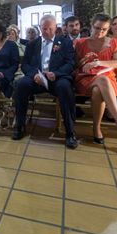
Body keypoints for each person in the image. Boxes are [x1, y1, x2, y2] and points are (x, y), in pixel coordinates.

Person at [12, 15, 78, 148]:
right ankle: (20, 126)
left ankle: (70, 133)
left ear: (56, 28)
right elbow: (25, 64)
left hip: (56, 78)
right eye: (44, 28)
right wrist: (34, 74)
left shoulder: (64, 43)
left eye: (50, 28)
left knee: (65, 88)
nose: (47, 31)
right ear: (40, 28)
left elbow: (70, 63)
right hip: (37, 78)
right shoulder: (32, 44)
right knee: (21, 85)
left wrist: (56, 73)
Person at [73, 14, 117, 144]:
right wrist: (82, 62)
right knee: (102, 80)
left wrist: (98, 63)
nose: (100, 32)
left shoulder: (113, 42)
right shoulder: (79, 42)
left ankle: (96, 128)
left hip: (106, 80)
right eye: (97, 28)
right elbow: (74, 65)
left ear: (108, 29)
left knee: (98, 89)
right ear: (91, 26)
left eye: (104, 29)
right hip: (85, 78)